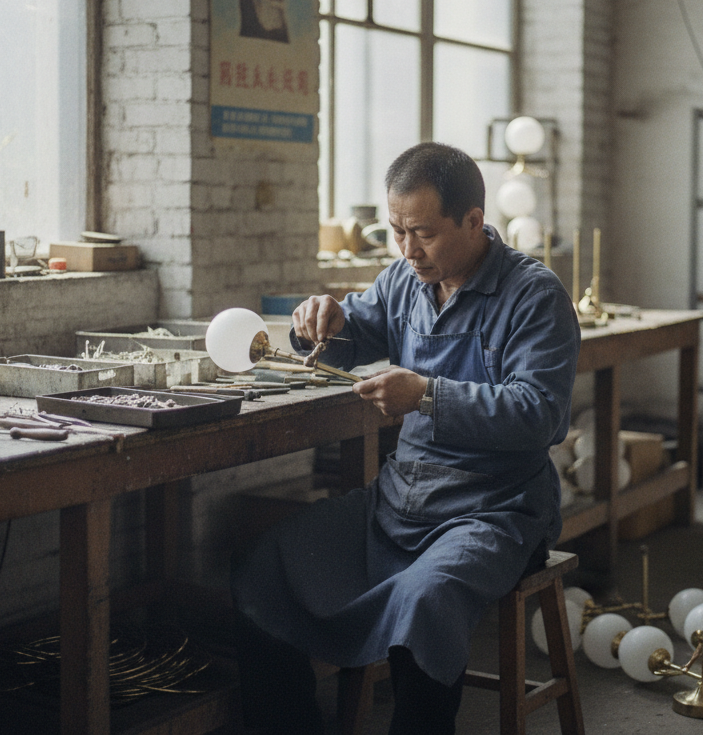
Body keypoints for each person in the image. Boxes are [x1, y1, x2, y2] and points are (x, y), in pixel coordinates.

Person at [231, 142, 581, 735]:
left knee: (426, 605)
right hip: (402, 501)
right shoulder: (403, 280)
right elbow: (353, 333)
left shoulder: (534, 297)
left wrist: (425, 395)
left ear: (474, 220)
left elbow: (541, 414)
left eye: (423, 233)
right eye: (396, 232)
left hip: (496, 510)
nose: (408, 250)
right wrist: (319, 321)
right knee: (268, 564)